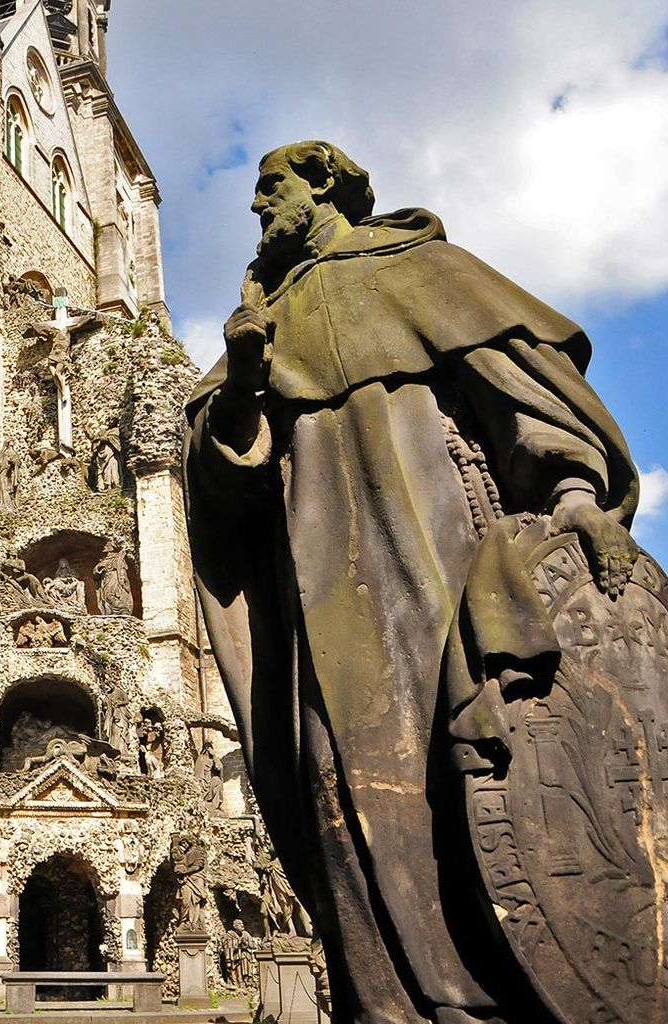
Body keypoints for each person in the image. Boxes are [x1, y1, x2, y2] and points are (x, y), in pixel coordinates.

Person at [184, 141, 640, 1024]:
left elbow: (529, 403)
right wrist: (241, 390)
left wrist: (577, 496)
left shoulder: (425, 270)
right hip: (321, 598)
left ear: (321, 183)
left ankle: (509, 992)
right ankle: (401, 1003)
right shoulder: (261, 315)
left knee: (481, 767)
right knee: (339, 793)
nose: (255, 208)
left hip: (442, 563)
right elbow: (221, 488)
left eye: (268, 188)